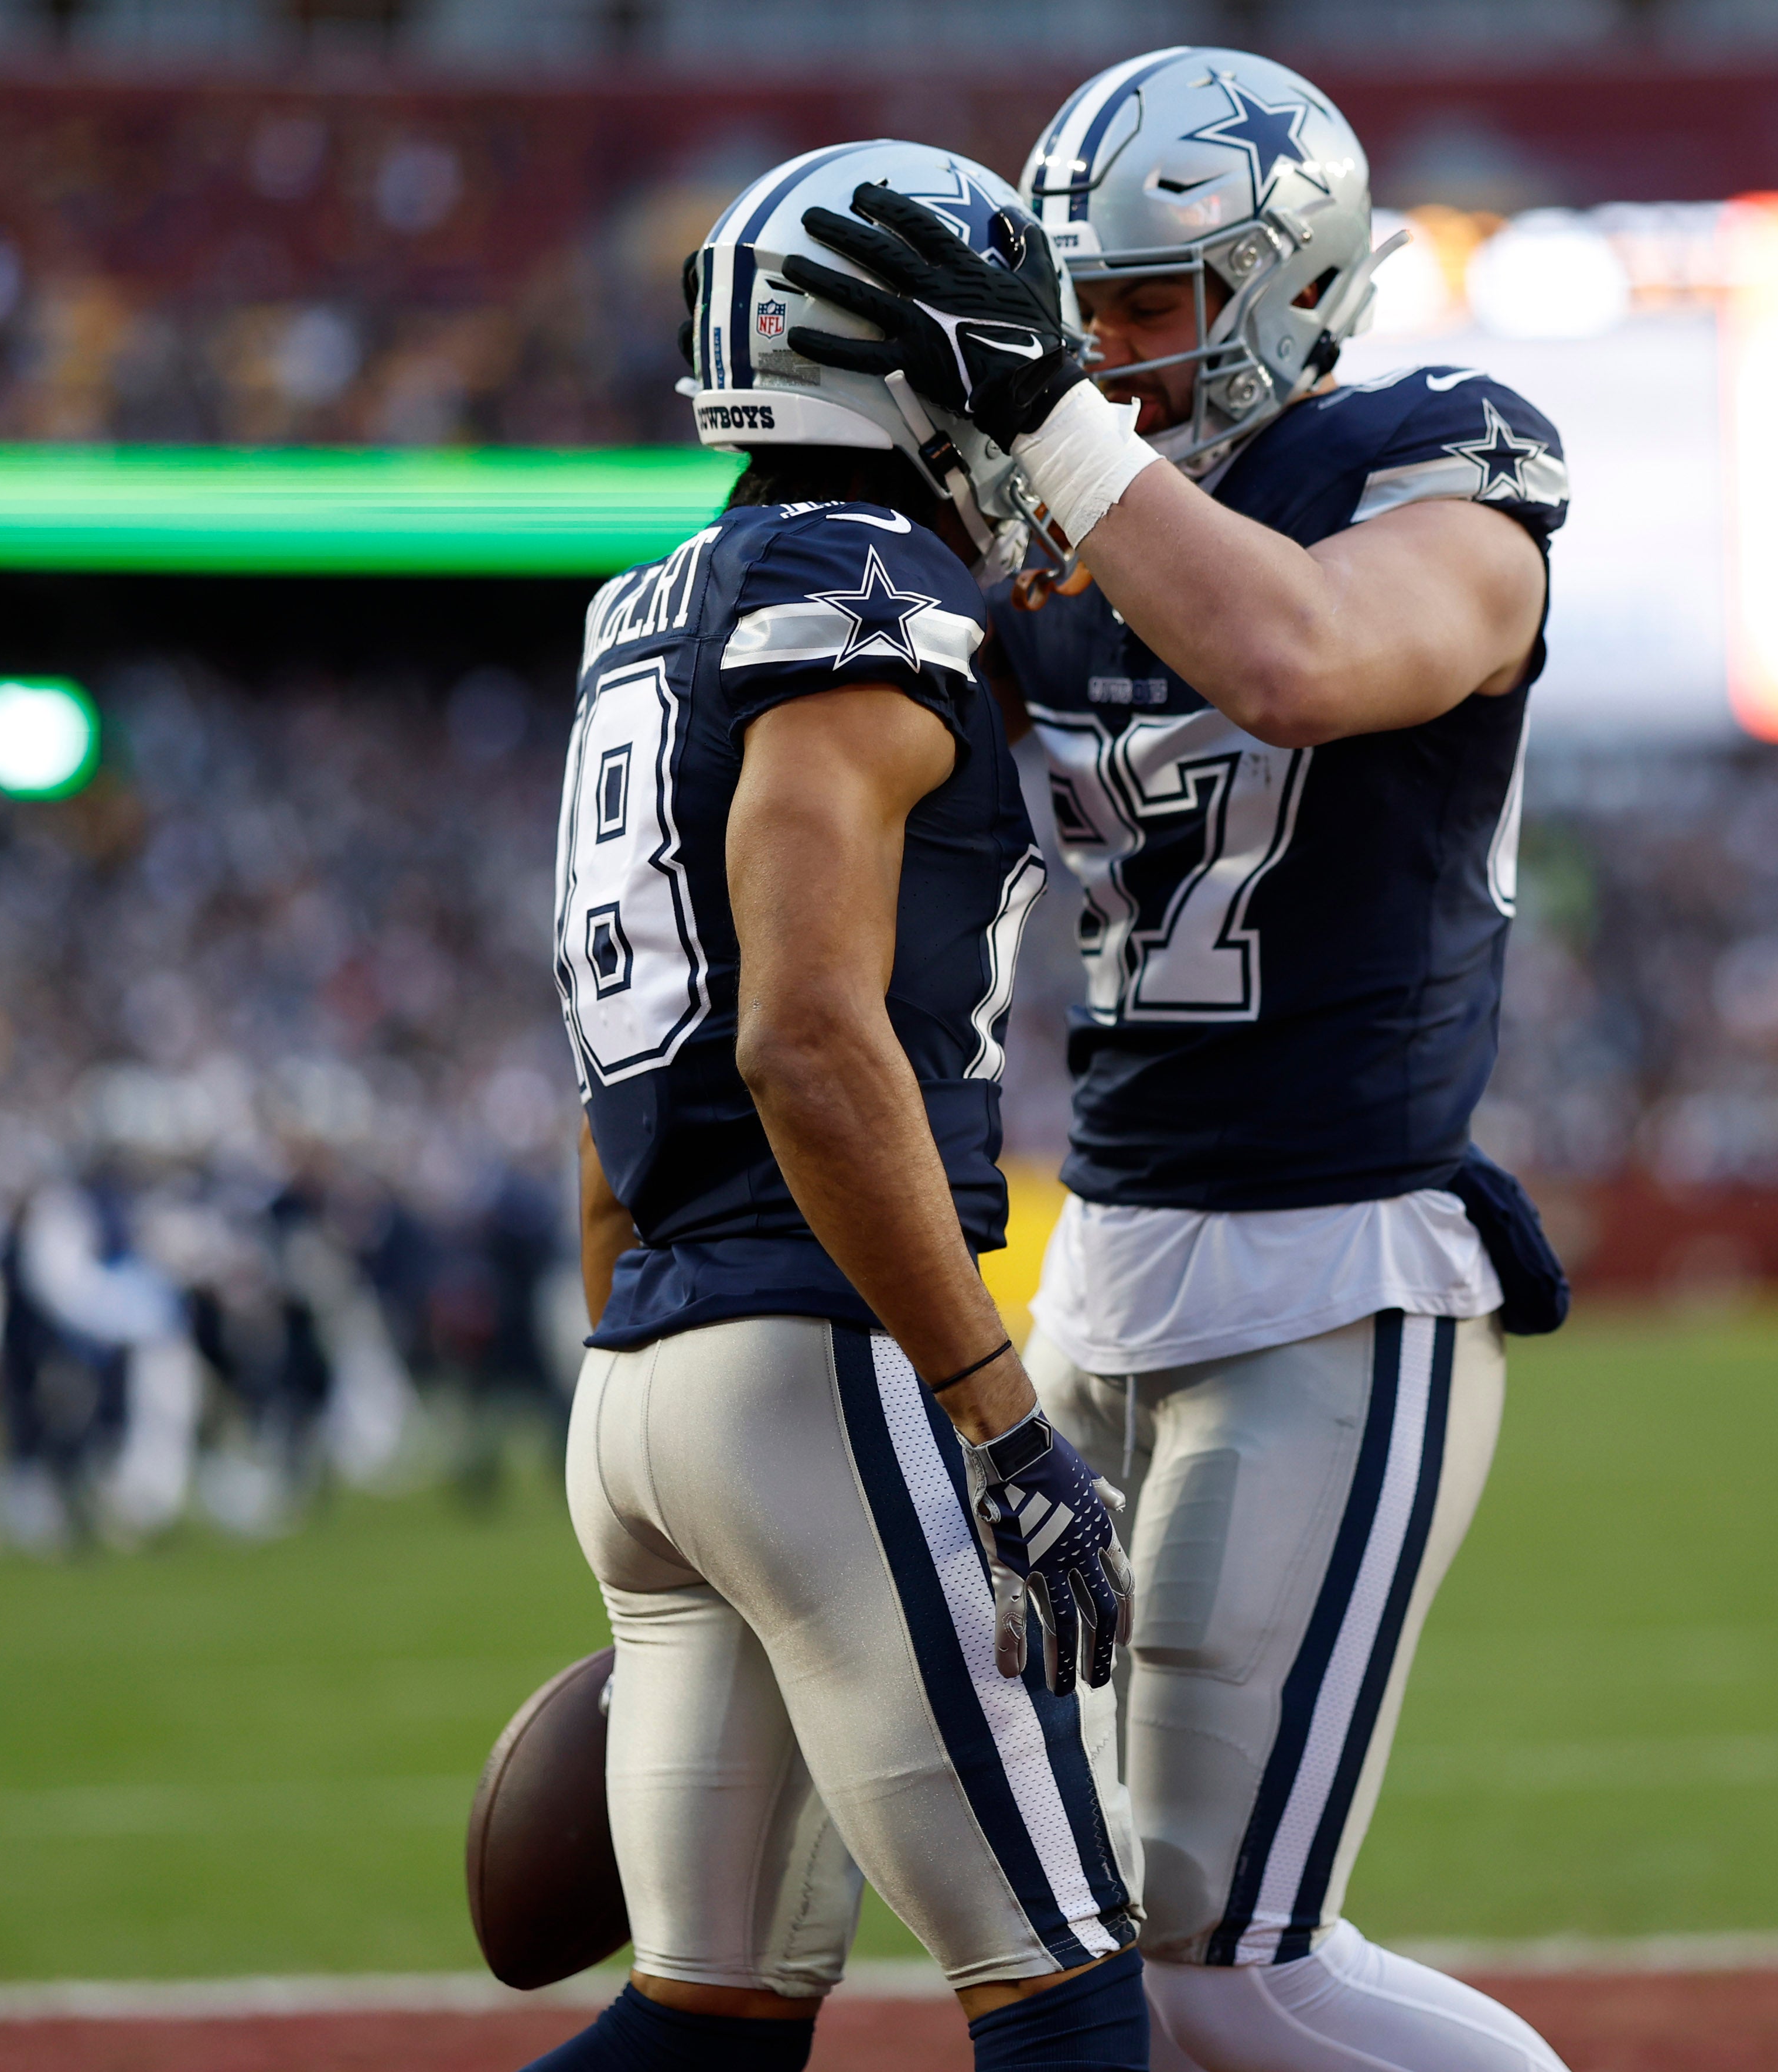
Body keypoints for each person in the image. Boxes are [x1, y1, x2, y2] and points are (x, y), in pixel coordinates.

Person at [772, 47, 1575, 2072]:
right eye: (1069, 312)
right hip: (1101, 1262)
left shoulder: (1438, 460)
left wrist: (1046, 425)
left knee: (1231, 1954)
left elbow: (1296, 661)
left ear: (1289, 288)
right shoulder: (1042, 529)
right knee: (1089, 1918)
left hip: (1334, 1266)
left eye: (1146, 307)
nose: (1101, 357)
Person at [535, 142, 1145, 2072]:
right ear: (911, 367)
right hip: (812, 1356)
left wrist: (628, 1358)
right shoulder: (862, 584)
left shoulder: (657, 600)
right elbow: (804, 1034)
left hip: (650, 1367)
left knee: (702, 2029)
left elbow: (620, 1044)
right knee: (1070, 2000)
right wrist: (999, 1416)